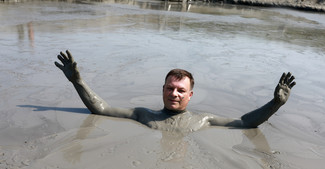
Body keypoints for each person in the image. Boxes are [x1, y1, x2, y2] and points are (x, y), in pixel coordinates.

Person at [55, 50, 296, 132]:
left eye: (181, 90)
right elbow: (102, 109)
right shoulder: (142, 115)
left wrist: (276, 103)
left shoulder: (203, 121)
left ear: (190, 95)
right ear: (162, 90)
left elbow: (245, 123)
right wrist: (78, 81)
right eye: (170, 88)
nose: (175, 94)